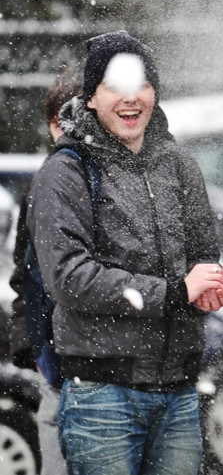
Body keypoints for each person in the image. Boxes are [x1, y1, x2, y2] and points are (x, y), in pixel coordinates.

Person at [25, 30, 223, 475]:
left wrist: (210, 283)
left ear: (154, 92)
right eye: (114, 87)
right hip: (102, 394)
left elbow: (203, 252)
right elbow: (69, 277)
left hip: (178, 390)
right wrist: (177, 292)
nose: (131, 99)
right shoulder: (65, 172)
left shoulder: (179, 164)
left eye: (141, 85)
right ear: (90, 98)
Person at [8, 67, 80, 475]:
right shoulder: (44, 185)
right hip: (58, 360)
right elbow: (27, 274)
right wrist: (33, 346)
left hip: (72, 360)